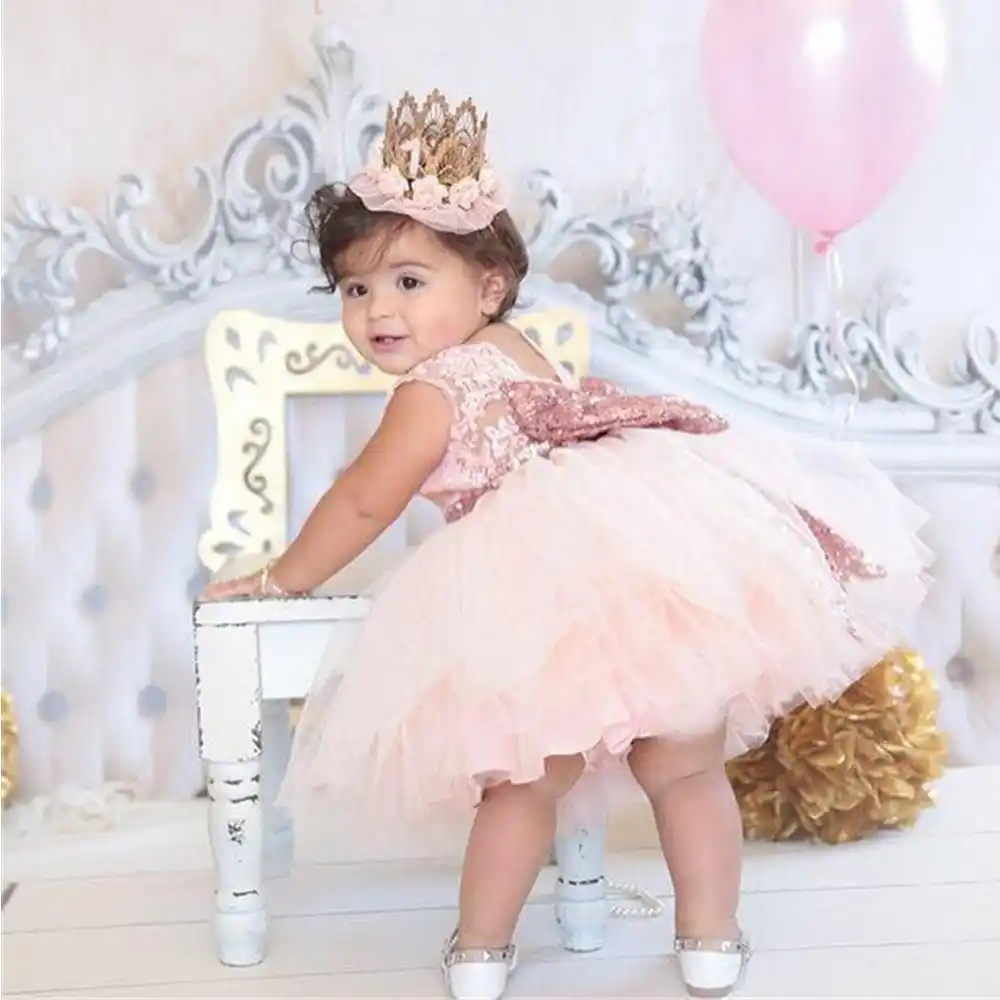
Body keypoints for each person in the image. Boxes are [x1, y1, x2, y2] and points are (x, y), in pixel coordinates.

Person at [203, 88, 932, 999]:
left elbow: (360, 504)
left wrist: (281, 579)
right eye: (356, 289)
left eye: (409, 282)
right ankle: (711, 940)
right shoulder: (517, 350)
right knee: (682, 762)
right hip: (647, 551)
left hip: (540, 585)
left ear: (488, 286)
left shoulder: (430, 392)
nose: (378, 310)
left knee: (522, 781)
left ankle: (479, 952)